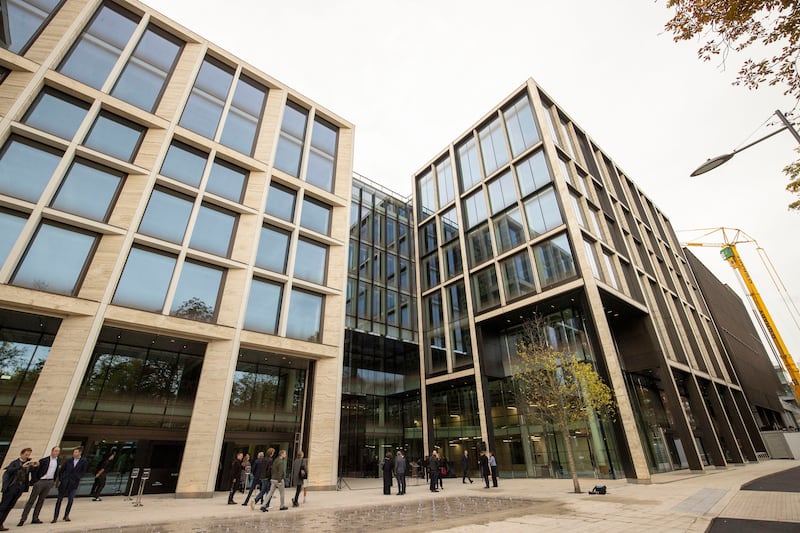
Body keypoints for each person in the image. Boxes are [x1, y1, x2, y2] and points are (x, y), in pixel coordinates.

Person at [18, 446, 60, 526]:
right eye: (55, 451)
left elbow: (56, 471)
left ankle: (35, 518)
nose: (56, 452)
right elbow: (35, 470)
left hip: (49, 482)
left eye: (58, 451)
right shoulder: (44, 460)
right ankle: (23, 519)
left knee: (41, 501)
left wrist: (53, 481)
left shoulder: (58, 461)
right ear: (52, 451)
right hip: (40, 482)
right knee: (31, 500)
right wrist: (36, 480)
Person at [1, 447, 37, 531]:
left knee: (10, 506)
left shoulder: (28, 463)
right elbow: (9, 470)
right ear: (21, 454)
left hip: (20, 487)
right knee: (4, 505)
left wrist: (35, 466)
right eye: (25, 454)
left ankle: (1, 523)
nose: (27, 456)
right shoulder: (15, 462)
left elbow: (32, 473)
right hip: (12, 486)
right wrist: (21, 467)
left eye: (28, 455)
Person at [52, 447, 87, 523]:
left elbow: (83, 472)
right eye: (74, 452)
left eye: (76, 452)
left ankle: (66, 515)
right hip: (65, 482)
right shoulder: (69, 460)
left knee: (70, 500)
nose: (74, 454)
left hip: (73, 483)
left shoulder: (83, 461)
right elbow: (62, 470)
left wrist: (78, 477)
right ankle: (55, 517)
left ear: (80, 453)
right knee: (59, 500)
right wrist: (62, 478)